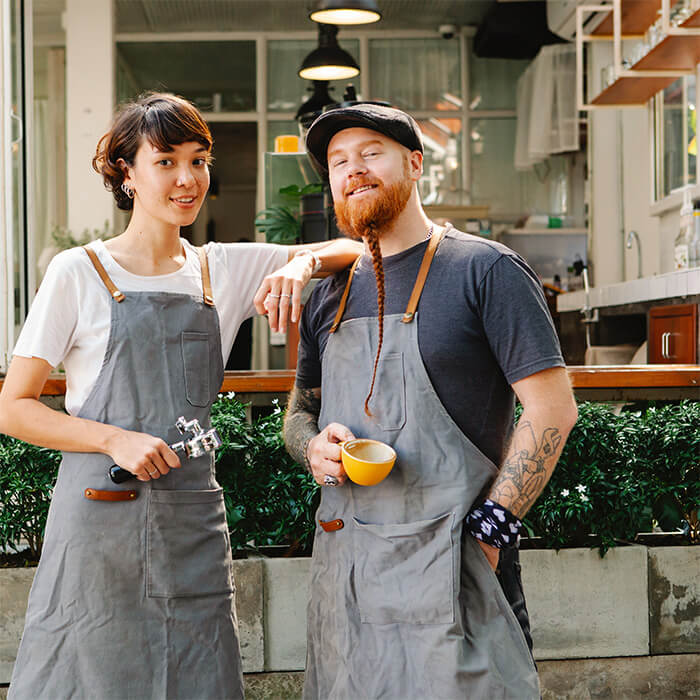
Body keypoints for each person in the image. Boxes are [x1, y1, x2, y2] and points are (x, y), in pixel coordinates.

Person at [0, 92, 361, 700]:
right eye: (166, 161)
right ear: (126, 172)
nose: (188, 178)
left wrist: (298, 267)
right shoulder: (78, 272)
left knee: (198, 676)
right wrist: (113, 437)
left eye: (199, 159)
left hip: (189, 518)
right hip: (99, 517)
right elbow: (14, 407)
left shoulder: (221, 269)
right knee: (91, 676)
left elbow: (349, 250)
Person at [283, 103, 579, 699]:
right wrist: (309, 446)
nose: (353, 170)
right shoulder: (326, 295)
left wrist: (493, 529)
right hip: (349, 574)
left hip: (453, 567)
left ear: (415, 163)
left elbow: (553, 409)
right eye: (338, 162)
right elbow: (298, 412)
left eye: (371, 153)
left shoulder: (485, 270)